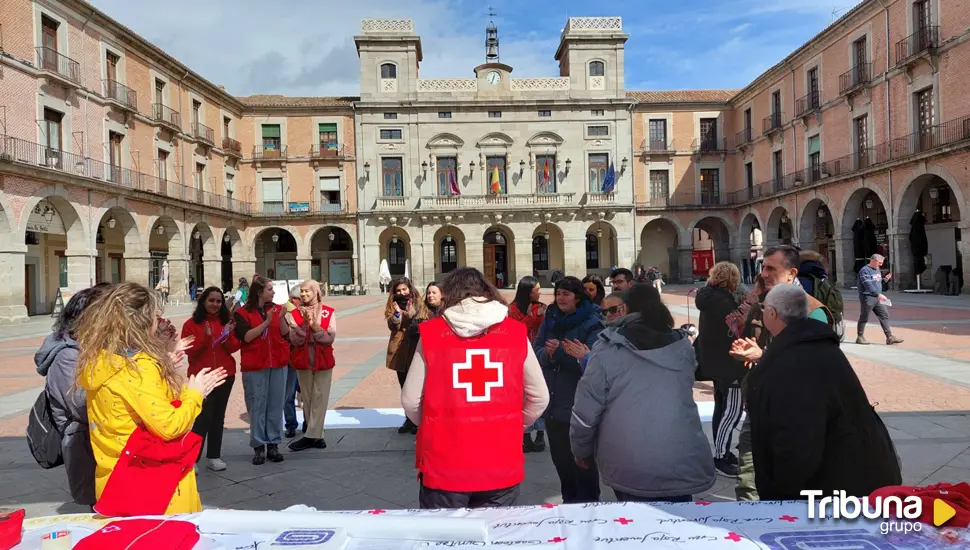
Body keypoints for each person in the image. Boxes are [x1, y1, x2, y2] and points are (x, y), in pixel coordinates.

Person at [402, 267, 549, 509]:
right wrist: (515, 423)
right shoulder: (515, 332)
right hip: (501, 460)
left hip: (444, 461)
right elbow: (540, 397)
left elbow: (410, 400)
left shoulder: (430, 334)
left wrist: (432, 423)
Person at [76, 282, 228, 514]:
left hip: (115, 476)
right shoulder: (138, 368)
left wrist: (163, 366)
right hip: (155, 484)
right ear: (143, 322)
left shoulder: (100, 360)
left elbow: (135, 406)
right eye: (156, 316)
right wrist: (195, 393)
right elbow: (169, 425)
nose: (159, 322)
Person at [745, 284, 902, 499]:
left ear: (772, 313)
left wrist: (781, 495)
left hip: (833, 492)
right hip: (859, 475)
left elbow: (797, 440)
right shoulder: (818, 346)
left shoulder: (795, 360)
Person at [571, 284, 715, 502]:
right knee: (679, 526)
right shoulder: (682, 346)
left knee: (638, 526)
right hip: (679, 453)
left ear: (626, 308)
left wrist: (581, 449)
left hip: (629, 457)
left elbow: (586, 410)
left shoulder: (609, 348)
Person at [729, 245, 836, 501]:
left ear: (791, 273)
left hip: (797, 410)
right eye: (763, 267)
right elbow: (752, 344)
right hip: (758, 402)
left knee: (792, 480)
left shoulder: (813, 311)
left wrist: (762, 356)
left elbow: (813, 364)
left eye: (771, 268)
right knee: (748, 477)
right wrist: (745, 349)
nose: (764, 273)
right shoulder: (760, 305)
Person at [34, 283, 113, 507]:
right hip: (87, 445)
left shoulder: (98, 348)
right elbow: (82, 406)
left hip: (102, 443)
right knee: (103, 514)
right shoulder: (68, 356)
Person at [535, 276, 605, 503]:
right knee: (562, 463)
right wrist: (548, 353)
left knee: (582, 464)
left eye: (566, 293)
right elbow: (537, 350)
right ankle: (569, 504)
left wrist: (563, 353)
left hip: (579, 403)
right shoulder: (551, 318)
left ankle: (589, 507)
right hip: (554, 403)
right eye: (558, 293)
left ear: (578, 296)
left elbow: (593, 360)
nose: (560, 298)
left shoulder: (592, 321)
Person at [694, 262, 747, 477]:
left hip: (714, 362)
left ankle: (720, 449)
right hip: (730, 364)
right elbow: (736, 329)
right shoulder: (726, 302)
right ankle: (721, 455)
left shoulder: (708, 297)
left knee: (721, 408)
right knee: (732, 411)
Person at [181, 287, 240, 472]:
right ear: (203, 301)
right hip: (202, 377)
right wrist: (205, 339)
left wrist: (227, 335)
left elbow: (233, 347)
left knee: (218, 417)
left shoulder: (226, 322)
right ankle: (193, 458)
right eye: (211, 300)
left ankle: (214, 456)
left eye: (219, 301)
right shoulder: (191, 324)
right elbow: (190, 351)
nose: (215, 304)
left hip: (224, 375)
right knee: (202, 418)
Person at [233, 276, 291, 465]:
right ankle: (258, 446)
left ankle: (273, 444)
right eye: (270, 289)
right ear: (259, 292)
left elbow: (285, 333)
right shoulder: (242, 312)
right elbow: (247, 337)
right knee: (257, 406)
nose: (273, 292)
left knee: (275, 405)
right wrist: (265, 323)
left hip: (277, 363)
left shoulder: (275, 309)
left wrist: (281, 319)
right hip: (255, 365)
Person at [286, 280, 337, 452]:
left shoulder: (328, 312)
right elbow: (295, 339)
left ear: (316, 291)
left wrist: (314, 327)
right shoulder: (295, 314)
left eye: (307, 291)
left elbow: (329, 338)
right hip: (303, 360)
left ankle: (310, 436)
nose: (304, 295)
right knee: (307, 398)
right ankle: (318, 435)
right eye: (302, 292)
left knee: (320, 397)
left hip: (323, 360)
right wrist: (305, 326)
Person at [508, 276, 548, 453]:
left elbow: (543, 331)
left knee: (537, 393)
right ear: (527, 291)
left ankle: (540, 434)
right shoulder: (513, 309)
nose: (539, 293)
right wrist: (533, 318)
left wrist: (540, 317)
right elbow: (517, 330)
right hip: (518, 355)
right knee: (522, 396)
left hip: (537, 354)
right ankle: (525, 435)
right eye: (536, 290)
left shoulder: (541, 308)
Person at [385, 277, 425, 434]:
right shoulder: (393, 304)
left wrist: (412, 315)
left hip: (416, 348)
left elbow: (424, 322)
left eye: (404, 290)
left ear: (410, 289)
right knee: (404, 387)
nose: (402, 293)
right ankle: (409, 420)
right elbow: (391, 325)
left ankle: (419, 420)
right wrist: (396, 316)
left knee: (417, 386)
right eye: (398, 291)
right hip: (399, 350)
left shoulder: (420, 303)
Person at [857, 254, 903, 346]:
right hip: (868, 297)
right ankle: (860, 337)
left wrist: (884, 280)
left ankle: (889, 337)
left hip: (877, 298)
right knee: (864, 316)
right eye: (879, 263)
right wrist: (878, 294)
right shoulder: (865, 271)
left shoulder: (877, 269)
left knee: (884, 315)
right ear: (873, 260)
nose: (881, 265)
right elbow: (868, 285)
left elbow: (876, 282)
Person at [281, 287, 303, 438]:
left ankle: (307, 424)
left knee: (306, 394)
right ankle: (290, 424)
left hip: (303, 358)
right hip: (291, 358)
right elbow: (285, 335)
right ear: (295, 299)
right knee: (289, 395)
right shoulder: (285, 312)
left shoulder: (303, 310)